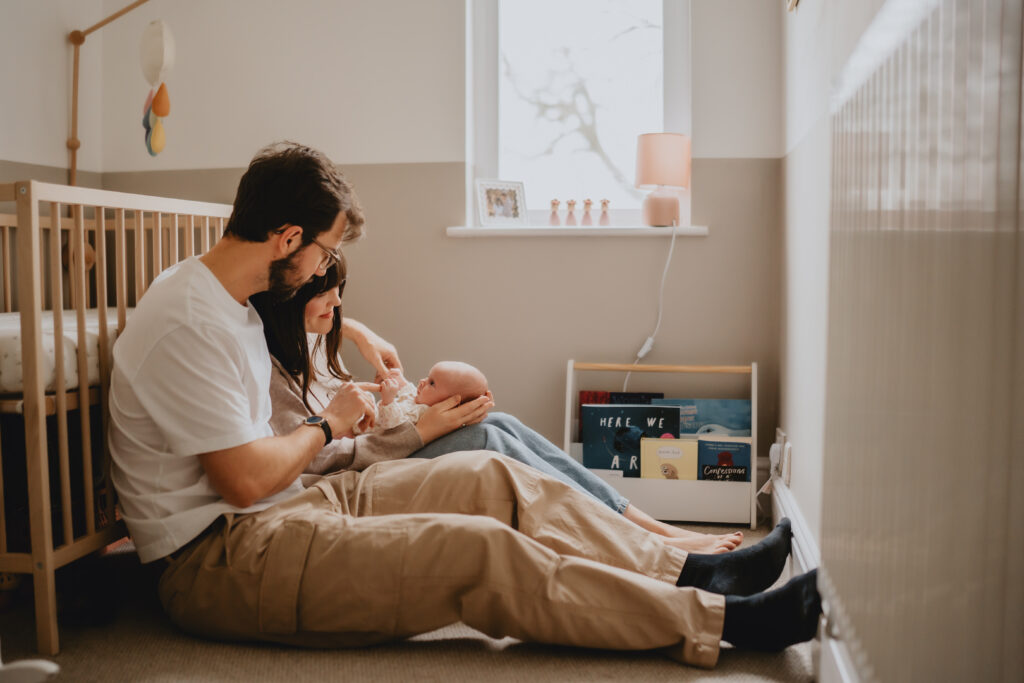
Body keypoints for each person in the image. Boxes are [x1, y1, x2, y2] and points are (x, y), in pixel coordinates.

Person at [108, 141, 822, 670]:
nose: (325, 268)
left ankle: (690, 570)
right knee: (479, 553)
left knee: (496, 475)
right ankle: (722, 618)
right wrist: (330, 422)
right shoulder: (188, 320)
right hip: (220, 561)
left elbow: (275, 446)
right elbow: (241, 479)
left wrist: (345, 363)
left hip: (290, 507)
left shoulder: (231, 305)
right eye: (324, 252)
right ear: (288, 238)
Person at [251, 258, 744, 554]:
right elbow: (313, 455)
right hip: (345, 482)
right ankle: (641, 542)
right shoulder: (266, 366)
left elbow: (340, 413)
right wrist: (414, 432)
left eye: (339, 292)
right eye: (326, 293)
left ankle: (648, 526)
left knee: (503, 421)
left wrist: (364, 370)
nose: (337, 303)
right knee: (486, 438)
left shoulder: (310, 341)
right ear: (290, 297)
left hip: (375, 450)